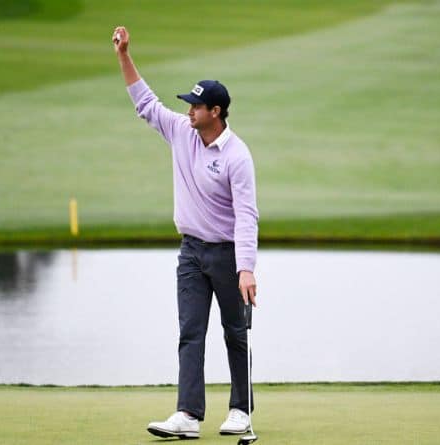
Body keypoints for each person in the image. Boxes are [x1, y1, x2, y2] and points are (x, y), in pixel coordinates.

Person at [113, 26, 259, 440]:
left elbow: (247, 215)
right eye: (190, 105)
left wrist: (246, 268)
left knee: (235, 333)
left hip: (229, 254)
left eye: (196, 105)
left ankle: (240, 411)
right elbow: (145, 103)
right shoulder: (181, 132)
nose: (189, 110)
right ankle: (188, 415)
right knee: (191, 332)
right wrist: (124, 53)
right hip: (191, 253)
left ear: (215, 111)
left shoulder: (237, 156)